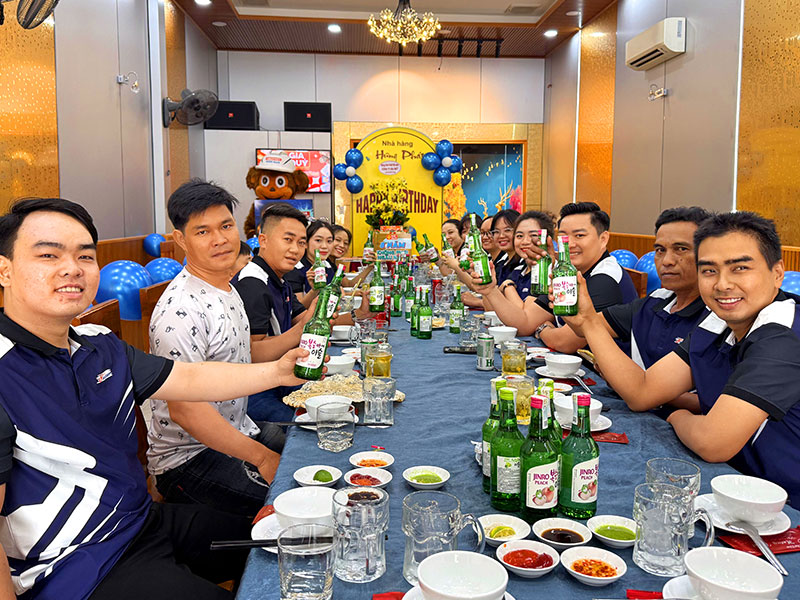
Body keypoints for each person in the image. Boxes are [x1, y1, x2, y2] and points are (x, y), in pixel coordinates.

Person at [0, 197, 312, 599]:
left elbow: (190, 377)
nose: (71, 268)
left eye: (85, 255)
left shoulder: (99, 344)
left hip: (142, 522)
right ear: (5, 270)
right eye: (48, 255)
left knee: (291, 541)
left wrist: (279, 371)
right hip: (77, 567)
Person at [568, 211, 800, 504]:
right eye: (709, 270)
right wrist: (589, 321)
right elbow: (642, 392)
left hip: (785, 507)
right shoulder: (717, 323)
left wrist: (676, 416)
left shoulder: (785, 335)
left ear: (777, 273)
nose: (723, 284)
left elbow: (712, 441)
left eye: (740, 268)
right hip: (731, 485)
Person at [146, 180, 288, 516]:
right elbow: (186, 411)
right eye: (203, 231)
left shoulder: (226, 286)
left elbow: (243, 356)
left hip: (238, 429)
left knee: (315, 447)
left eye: (226, 226)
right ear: (181, 239)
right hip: (189, 459)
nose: (220, 239)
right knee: (290, 502)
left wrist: (288, 363)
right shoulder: (180, 310)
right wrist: (262, 458)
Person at [233, 204, 377, 422]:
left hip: (283, 377)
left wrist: (359, 315)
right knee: (326, 422)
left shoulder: (278, 278)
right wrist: (301, 330)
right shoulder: (253, 282)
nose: (295, 249)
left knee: (351, 401)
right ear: (263, 240)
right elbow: (251, 354)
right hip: (255, 392)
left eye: (301, 242)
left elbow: (306, 320)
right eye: (288, 240)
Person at [475, 202, 637, 353]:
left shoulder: (605, 277)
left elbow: (564, 342)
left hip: (600, 372)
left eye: (579, 235)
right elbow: (525, 323)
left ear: (603, 239)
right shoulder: (567, 272)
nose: (569, 244)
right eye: (564, 237)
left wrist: (542, 329)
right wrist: (490, 290)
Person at [492, 211, 556, 308]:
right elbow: (492, 307)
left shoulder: (550, 273)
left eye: (533, 235)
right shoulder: (518, 270)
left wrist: (507, 287)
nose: (525, 241)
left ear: (548, 239)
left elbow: (525, 314)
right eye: (519, 236)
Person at [284, 220, 336, 306]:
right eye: (318, 240)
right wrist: (314, 290)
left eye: (329, 241)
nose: (324, 246)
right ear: (306, 243)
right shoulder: (295, 269)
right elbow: (298, 309)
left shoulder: (327, 265)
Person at [490, 209, 521, 284]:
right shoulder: (502, 263)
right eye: (496, 231)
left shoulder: (524, 263)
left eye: (507, 230)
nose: (501, 236)